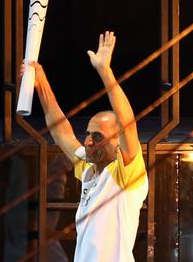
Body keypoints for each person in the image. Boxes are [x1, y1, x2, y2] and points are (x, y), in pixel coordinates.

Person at [26, 31, 147, 262]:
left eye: (98, 136)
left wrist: (105, 71)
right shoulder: (89, 169)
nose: (89, 141)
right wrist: (41, 83)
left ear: (118, 141)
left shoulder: (125, 175)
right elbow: (61, 132)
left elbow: (128, 124)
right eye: (89, 134)